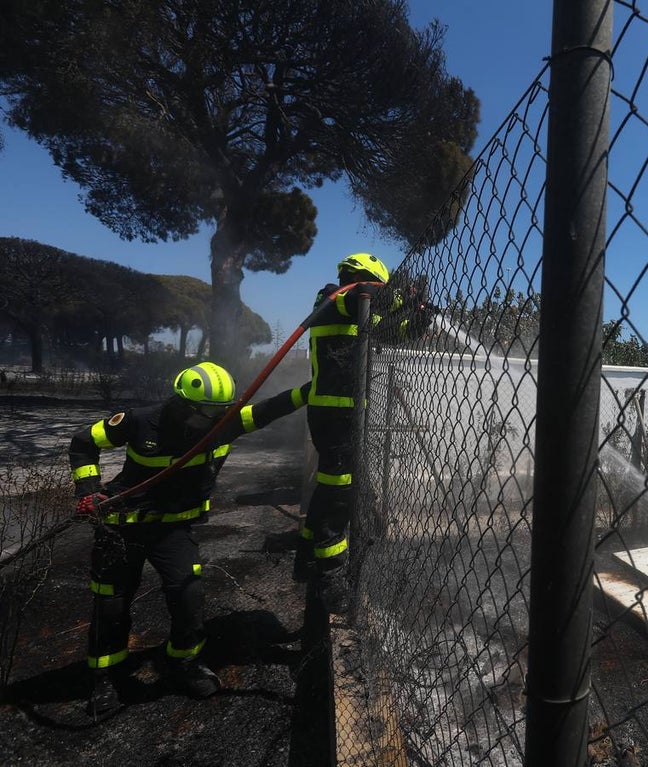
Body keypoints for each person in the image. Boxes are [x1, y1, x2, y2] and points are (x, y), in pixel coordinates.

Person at [70, 361, 308, 719]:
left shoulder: (223, 425)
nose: (214, 423)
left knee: (188, 595)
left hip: (172, 530)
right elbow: (84, 442)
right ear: (182, 405)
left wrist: (312, 388)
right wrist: (87, 491)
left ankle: (181, 663)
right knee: (111, 606)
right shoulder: (140, 420)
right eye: (208, 414)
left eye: (221, 414)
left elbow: (271, 408)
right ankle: (105, 676)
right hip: (120, 527)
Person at [296, 252, 434, 613]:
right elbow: (364, 299)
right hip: (335, 414)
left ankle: (306, 558)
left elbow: (392, 333)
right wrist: (402, 294)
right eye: (379, 287)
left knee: (331, 488)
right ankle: (330, 576)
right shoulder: (334, 297)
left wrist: (419, 318)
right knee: (341, 494)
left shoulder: (356, 311)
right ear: (364, 279)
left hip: (344, 414)